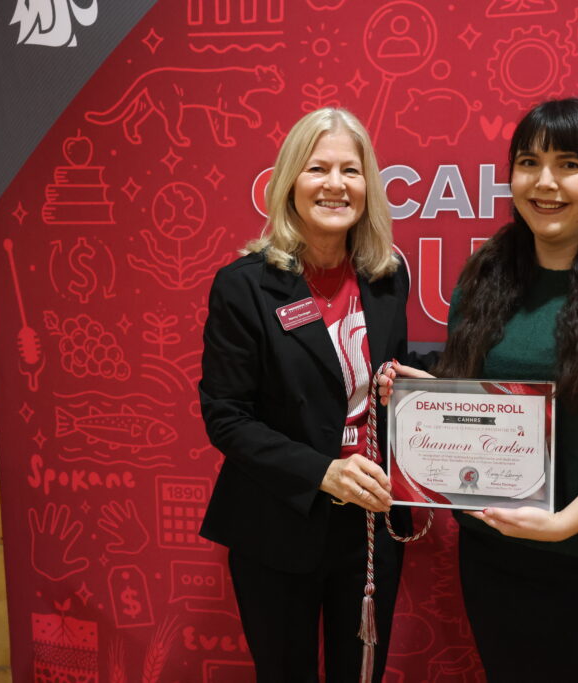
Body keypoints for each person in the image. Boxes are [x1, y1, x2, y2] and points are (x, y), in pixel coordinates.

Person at [381, 97, 578, 682]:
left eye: (569, 164)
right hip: (499, 563)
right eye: (529, 162)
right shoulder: (486, 275)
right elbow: (481, 400)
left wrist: (566, 520)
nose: (546, 182)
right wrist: (428, 401)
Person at [198, 106, 410, 683]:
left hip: (368, 523)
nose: (336, 185)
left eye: (351, 170)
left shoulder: (389, 276)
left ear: (368, 184)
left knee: (360, 672)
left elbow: (383, 373)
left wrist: (406, 385)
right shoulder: (244, 286)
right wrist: (322, 471)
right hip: (278, 522)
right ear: (290, 181)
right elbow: (227, 417)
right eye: (319, 169)